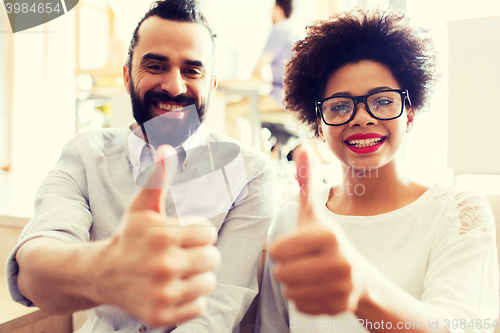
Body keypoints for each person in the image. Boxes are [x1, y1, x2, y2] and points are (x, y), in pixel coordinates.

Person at [6, 1, 275, 332]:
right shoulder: (84, 155)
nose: (175, 86)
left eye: (192, 71)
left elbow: (216, 312)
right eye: (156, 66)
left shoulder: (250, 174)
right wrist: (105, 270)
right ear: (126, 76)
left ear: (213, 86)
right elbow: (33, 275)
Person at [256, 7, 498, 333]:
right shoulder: (293, 217)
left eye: (383, 101)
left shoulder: (458, 213)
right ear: (318, 124)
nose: (361, 117)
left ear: (409, 114)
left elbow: (461, 327)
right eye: (339, 106)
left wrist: (361, 290)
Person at [224, 0, 299, 142]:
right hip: (298, 100)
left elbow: (257, 69)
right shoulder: (295, 31)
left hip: (282, 98)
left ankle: (241, 162)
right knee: (252, 109)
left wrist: (258, 76)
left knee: (228, 110)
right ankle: (262, 158)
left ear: (277, 9)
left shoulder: (280, 30)